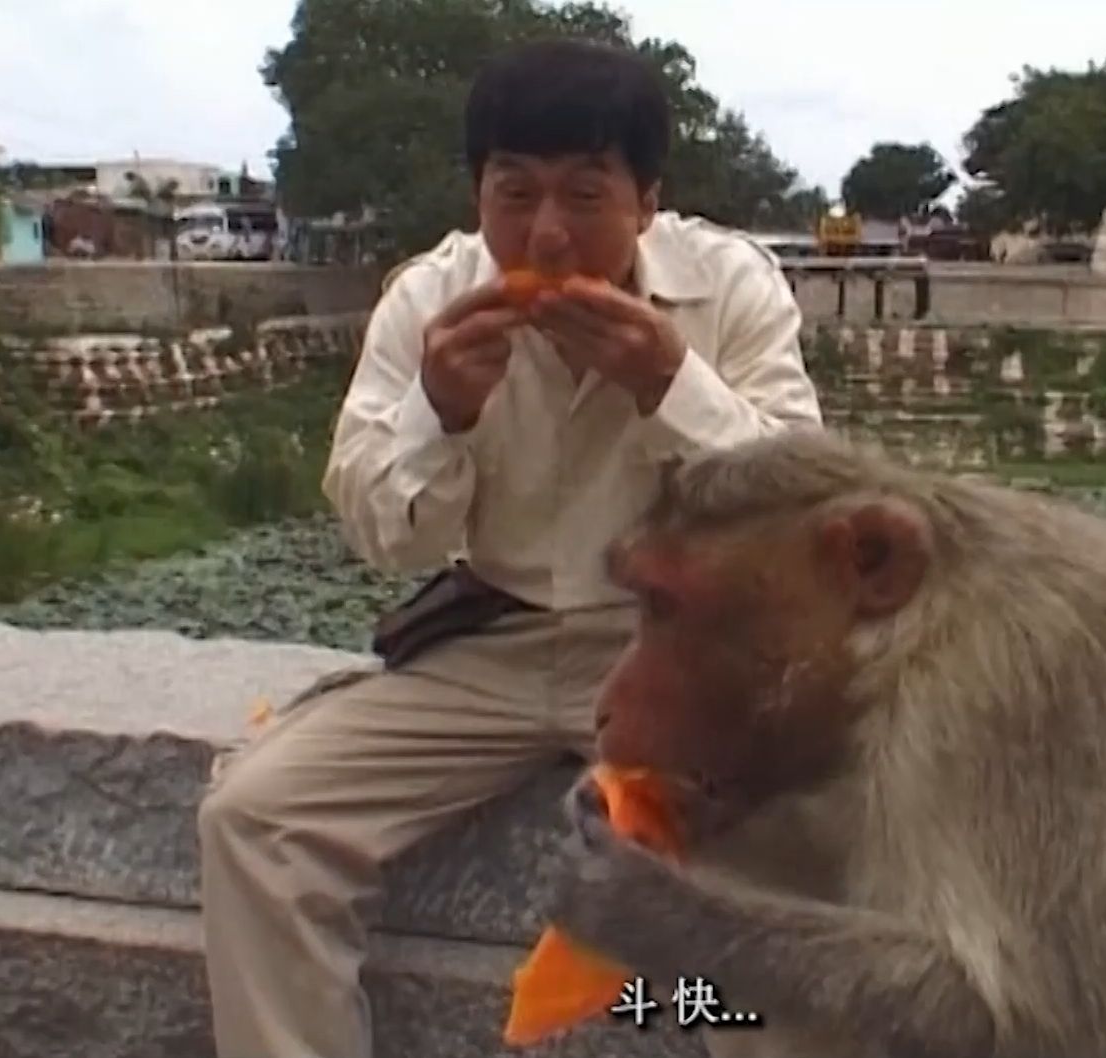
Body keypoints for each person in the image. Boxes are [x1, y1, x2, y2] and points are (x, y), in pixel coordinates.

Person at [195, 36, 824, 1058]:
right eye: (513, 192)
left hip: (674, 651)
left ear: (646, 200)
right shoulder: (427, 300)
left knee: (783, 866)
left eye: (585, 195)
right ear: (477, 192)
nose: (546, 235)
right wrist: (439, 410)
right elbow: (381, 532)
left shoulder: (731, 290)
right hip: (491, 642)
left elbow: (804, 506)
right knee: (256, 816)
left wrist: (673, 386)